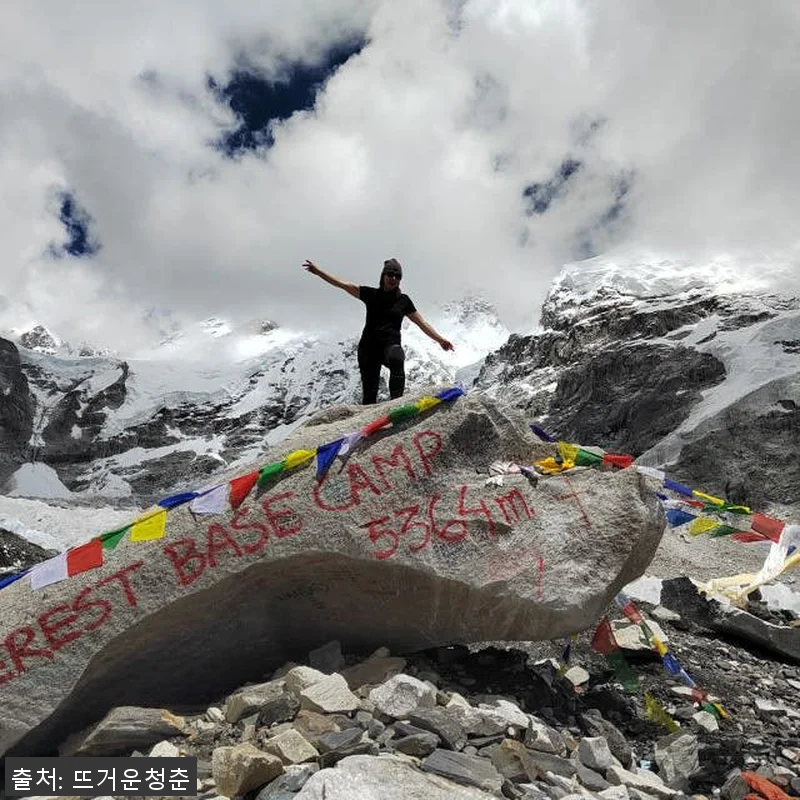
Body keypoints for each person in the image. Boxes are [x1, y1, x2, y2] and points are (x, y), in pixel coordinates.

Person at [303, 257, 454, 404]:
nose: (393, 278)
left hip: (390, 347)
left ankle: (396, 403)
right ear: (383, 276)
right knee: (369, 397)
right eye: (390, 274)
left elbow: (422, 323)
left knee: (396, 356)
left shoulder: (404, 301)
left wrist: (440, 340)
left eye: (397, 276)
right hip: (368, 350)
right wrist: (318, 272)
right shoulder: (371, 294)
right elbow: (342, 284)